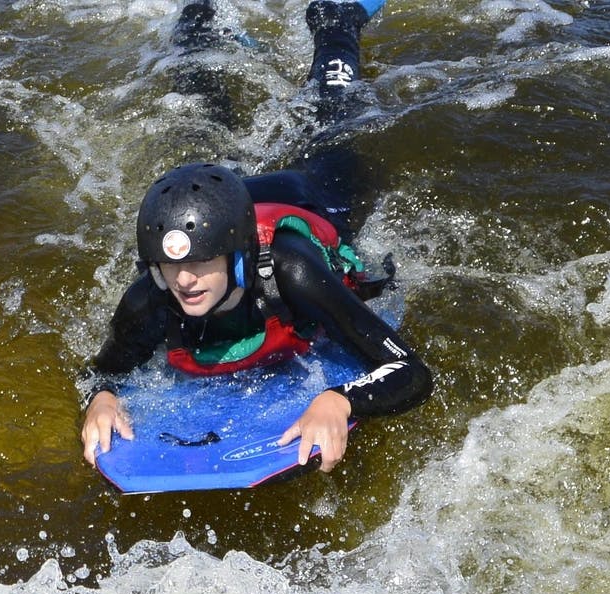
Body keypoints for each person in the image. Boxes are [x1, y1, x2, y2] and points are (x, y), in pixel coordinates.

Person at [80, 0, 433, 473]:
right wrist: (100, 398)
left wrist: (341, 401)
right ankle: (199, 19)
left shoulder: (292, 272)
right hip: (221, 211)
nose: (184, 281)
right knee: (205, 107)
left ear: (240, 257)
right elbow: (100, 372)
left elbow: (410, 372)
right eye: (170, 266)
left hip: (312, 191)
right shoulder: (149, 299)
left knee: (333, 109)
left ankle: (336, 17)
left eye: (201, 263)